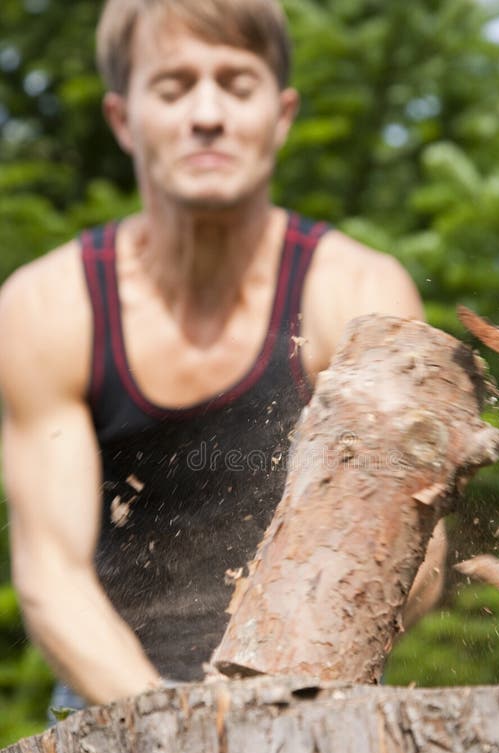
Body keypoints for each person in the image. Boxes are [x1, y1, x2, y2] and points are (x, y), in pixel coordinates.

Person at [0, 0, 446, 710]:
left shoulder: (358, 293)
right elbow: (51, 575)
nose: (207, 114)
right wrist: (170, 729)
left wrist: (280, 709)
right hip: (113, 711)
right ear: (123, 119)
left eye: (237, 85)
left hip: (316, 697)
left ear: (282, 113)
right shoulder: (50, 308)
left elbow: (411, 549)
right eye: (174, 88)